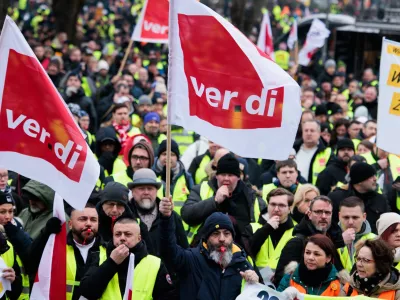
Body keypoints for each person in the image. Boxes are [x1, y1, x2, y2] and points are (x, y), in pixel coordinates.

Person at [160, 205, 260, 299]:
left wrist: (255, 284)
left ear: (232, 237)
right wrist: (166, 219)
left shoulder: (243, 264)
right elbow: (169, 249)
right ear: (206, 238)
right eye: (215, 234)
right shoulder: (191, 259)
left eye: (226, 234)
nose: (222, 239)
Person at [182, 153, 266, 248]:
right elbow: (187, 215)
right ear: (217, 175)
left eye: (230, 175)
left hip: (239, 253)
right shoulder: (201, 189)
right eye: (223, 174)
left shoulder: (250, 196)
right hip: (203, 250)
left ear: (238, 177)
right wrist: (214, 201)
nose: (226, 178)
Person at [80, 217, 176, 300]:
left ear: (139, 238)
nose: (122, 238)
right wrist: (111, 263)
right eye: (118, 234)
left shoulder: (155, 263)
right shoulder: (99, 257)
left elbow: (168, 296)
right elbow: (87, 292)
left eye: (128, 234)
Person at [28, 203, 106, 300]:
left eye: (93, 220)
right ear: (70, 224)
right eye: (83, 219)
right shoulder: (57, 248)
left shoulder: (108, 251)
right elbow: (30, 262)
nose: (89, 223)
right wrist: (45, 233)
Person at [273, 196, 345, 286]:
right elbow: (280, 280)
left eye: (327, 213)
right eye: (318, 212)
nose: (323, 216)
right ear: (309, 214)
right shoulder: (297, 243)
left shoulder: (333, 241)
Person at [127, 168, 188, 257]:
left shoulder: (172, 217)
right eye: (141, 188)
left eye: (150, 188)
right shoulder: (125, 217)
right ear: (132, 192)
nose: (146, 192)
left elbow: (184, 252)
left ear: (156, 191)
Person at [328, 162, 390, 233]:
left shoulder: (380, 199)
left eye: (375, 175)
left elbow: (387, 225)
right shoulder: (336, 198)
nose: (375, 179)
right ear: (359, 181)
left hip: (372, 242)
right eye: (371, 176)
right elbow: (330, 225)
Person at [249, 188, 296, 276]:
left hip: (284, 282)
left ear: (289, 209)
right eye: (273, 204)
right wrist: (266, 228)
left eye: (281, 205)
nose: (276, 209)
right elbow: (248, 251)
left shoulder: (296, 231)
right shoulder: (253, 227)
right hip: (256, 282)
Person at [96, 182, 152, 252]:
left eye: (120, 205)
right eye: (111, 204)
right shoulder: (90, 221)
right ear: (102, 203)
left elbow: (149, 254)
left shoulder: (137, 224)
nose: (114, 210)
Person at [153, 139, 194, 215]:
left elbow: (192, 202)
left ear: (177, 157)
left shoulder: (186, 177)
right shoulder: (151, 175)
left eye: (172, 154)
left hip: (180, 224)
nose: (168, 157)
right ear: (158, 156)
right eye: (164, 154)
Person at [338, 197, 376, 272]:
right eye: (346, 217)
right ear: (339, 216)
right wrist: (339, 241)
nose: (350, 222)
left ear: (364, 217)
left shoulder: (375, 240)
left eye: (355, 217)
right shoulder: (329, 238)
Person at [294, 120, 333, 185]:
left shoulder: (327, 152)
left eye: (312, 131)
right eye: (306, 130)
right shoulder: (293, 149)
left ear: (319, 133)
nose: (308, 133)